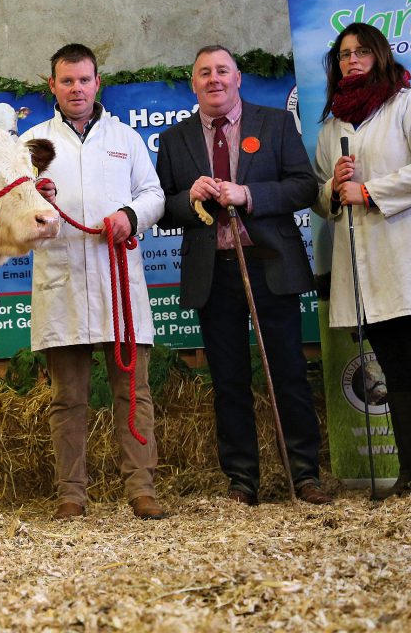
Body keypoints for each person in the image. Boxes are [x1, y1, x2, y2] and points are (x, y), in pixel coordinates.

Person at [156, 45, 332, 506]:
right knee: (228, 379)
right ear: (193, 83)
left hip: (269, 265)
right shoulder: (175, 140)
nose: (214, 79)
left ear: (238, 79)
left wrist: (248, 193)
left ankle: (304, 473)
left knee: (289, 372)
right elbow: (163, 210)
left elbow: (303, 186)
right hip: (213, 273)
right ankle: (241, 480)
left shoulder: (273, 124)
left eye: (222, 71)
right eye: (203, 73)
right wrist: (189, 198)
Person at [312, 22, 411, 497]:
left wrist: (370, 191)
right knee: (393, 367)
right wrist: (334, 189)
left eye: (360, 52)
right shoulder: (331, 127)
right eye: (342, 55)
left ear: (379, 55)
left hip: (409, 257)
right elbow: (322, 199)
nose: (351, 60)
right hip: (365, 270)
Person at [21, 43, 167, 520]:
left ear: (97, 83)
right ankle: (71, 495)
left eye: (84, 80)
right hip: (62, 283)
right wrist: (34, 201)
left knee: (134, 393)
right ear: (53, 86)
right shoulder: (31, 143)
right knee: (67, 399)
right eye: (67, 81)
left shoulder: (125, 137)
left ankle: (141, 489)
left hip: (118, 280)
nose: (76, 89)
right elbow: (14, 212)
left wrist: (129, 215)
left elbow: (154, 195)